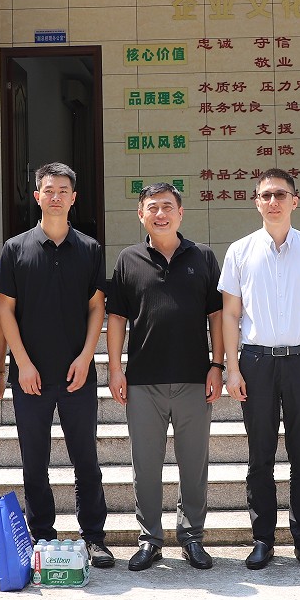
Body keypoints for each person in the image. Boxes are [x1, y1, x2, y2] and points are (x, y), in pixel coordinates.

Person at [0, 163, 113, 568]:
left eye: (64, 190)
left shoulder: (90, 248)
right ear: (37, 196)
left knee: (86, 460)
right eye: (49, 190)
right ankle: (42, 535)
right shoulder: (15, 248)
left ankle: (94, 536)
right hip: (30, 375)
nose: (57, 196)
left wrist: (87, 356)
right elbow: (5, 311)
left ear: (74, 198)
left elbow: (96, 307)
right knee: (34, 461)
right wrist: (22, 363)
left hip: (78, 372)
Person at [220, 168, 300, 571]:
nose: (273, 202)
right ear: (256, 202)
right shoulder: (239, 251)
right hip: (256, 362)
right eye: (266, 195)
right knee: (260, 456)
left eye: (280, 195)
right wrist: (232, 368)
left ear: (295, 201)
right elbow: (230, 313)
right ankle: (263, 539)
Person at [106, 182, 224, 572]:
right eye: (153, 207)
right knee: (145, 465)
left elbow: (217, 315)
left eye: (168, 206)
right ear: (141, 214)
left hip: (194, 378)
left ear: (181, 212)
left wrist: (218, 365)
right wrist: (116, 369)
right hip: (143, 380)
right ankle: (150, 539)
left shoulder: (203, 257)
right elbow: (117, 318)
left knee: (194, 465)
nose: (161, 214)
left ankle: (192, 537)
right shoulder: (128, 259)